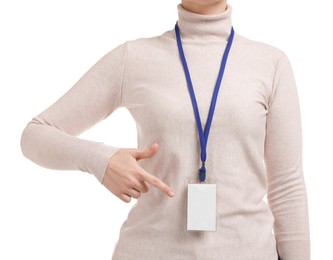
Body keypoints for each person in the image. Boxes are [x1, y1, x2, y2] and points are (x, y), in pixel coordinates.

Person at [20, 0, 311, 259]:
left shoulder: (271, 63)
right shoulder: (133, 57)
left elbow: (287, 186)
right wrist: (101, 160)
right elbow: (34, 134)